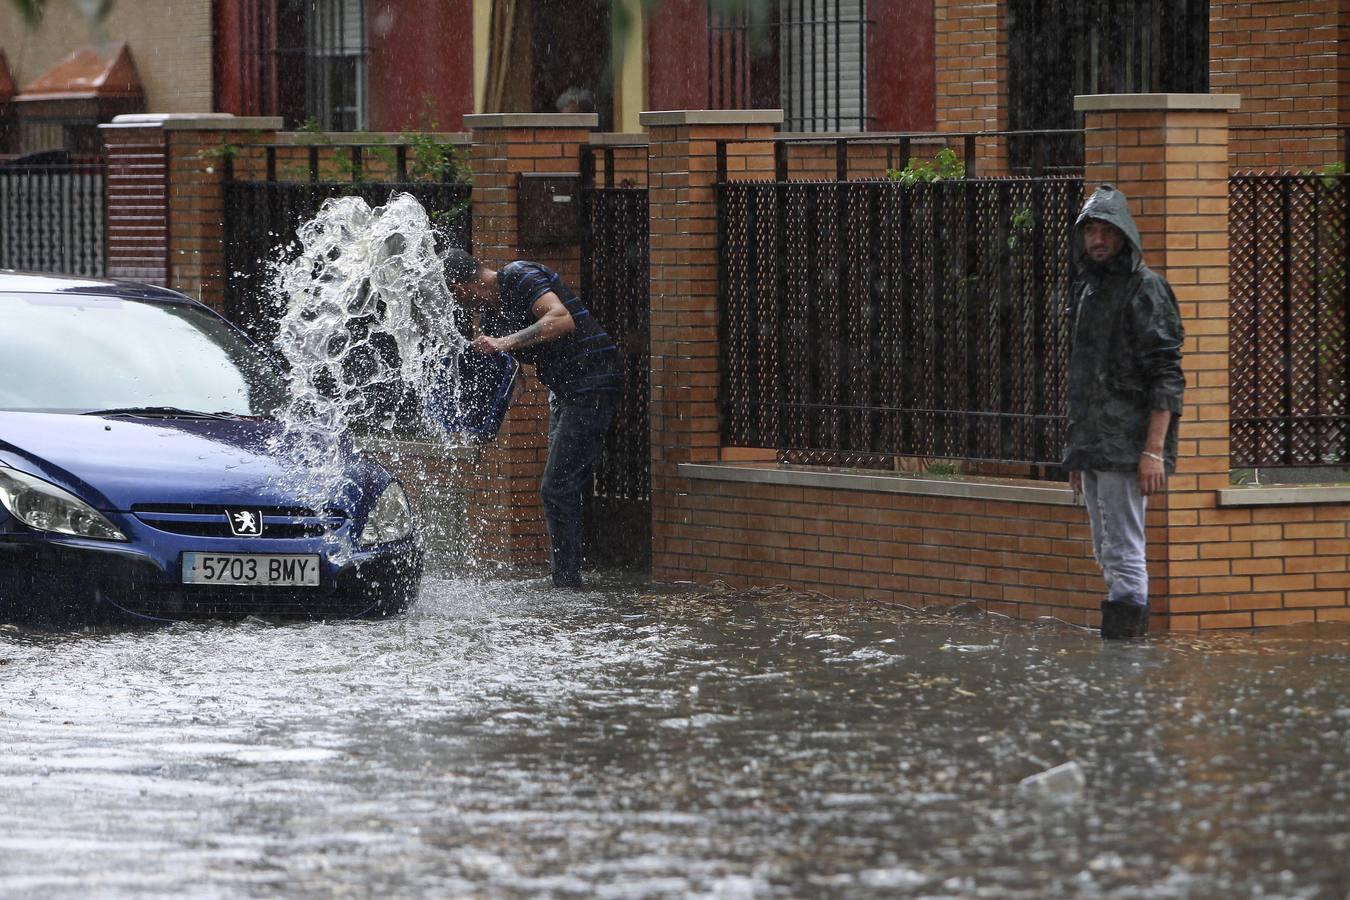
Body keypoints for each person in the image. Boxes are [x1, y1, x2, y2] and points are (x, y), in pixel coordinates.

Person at [442, 249, 620, 589]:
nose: (455, 302)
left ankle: (566, 583)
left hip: (594, 380)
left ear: (460, 287)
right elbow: (516, 379)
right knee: (561, 487)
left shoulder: (520, 276)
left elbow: (561, 318)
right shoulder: (492, 318)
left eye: (452, 295)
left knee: (556, 488)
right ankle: (566, 574)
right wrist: (483, 426)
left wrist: (506, 341)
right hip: (566, 390)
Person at [1063, 185, 1185, 640]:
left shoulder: (1146, 288)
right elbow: (1082, 374)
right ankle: (1121, 647)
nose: (1097, 239)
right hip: (1096, 443)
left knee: (1124, 546)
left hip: (1126, 442)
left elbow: (1166, 373)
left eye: (1106, 230)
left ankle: (1126, 651)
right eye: (1090, 230)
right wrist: (1078, 452)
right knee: (1106, 547)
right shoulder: (1091, 290)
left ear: (1123, 235)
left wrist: (1153, 450)